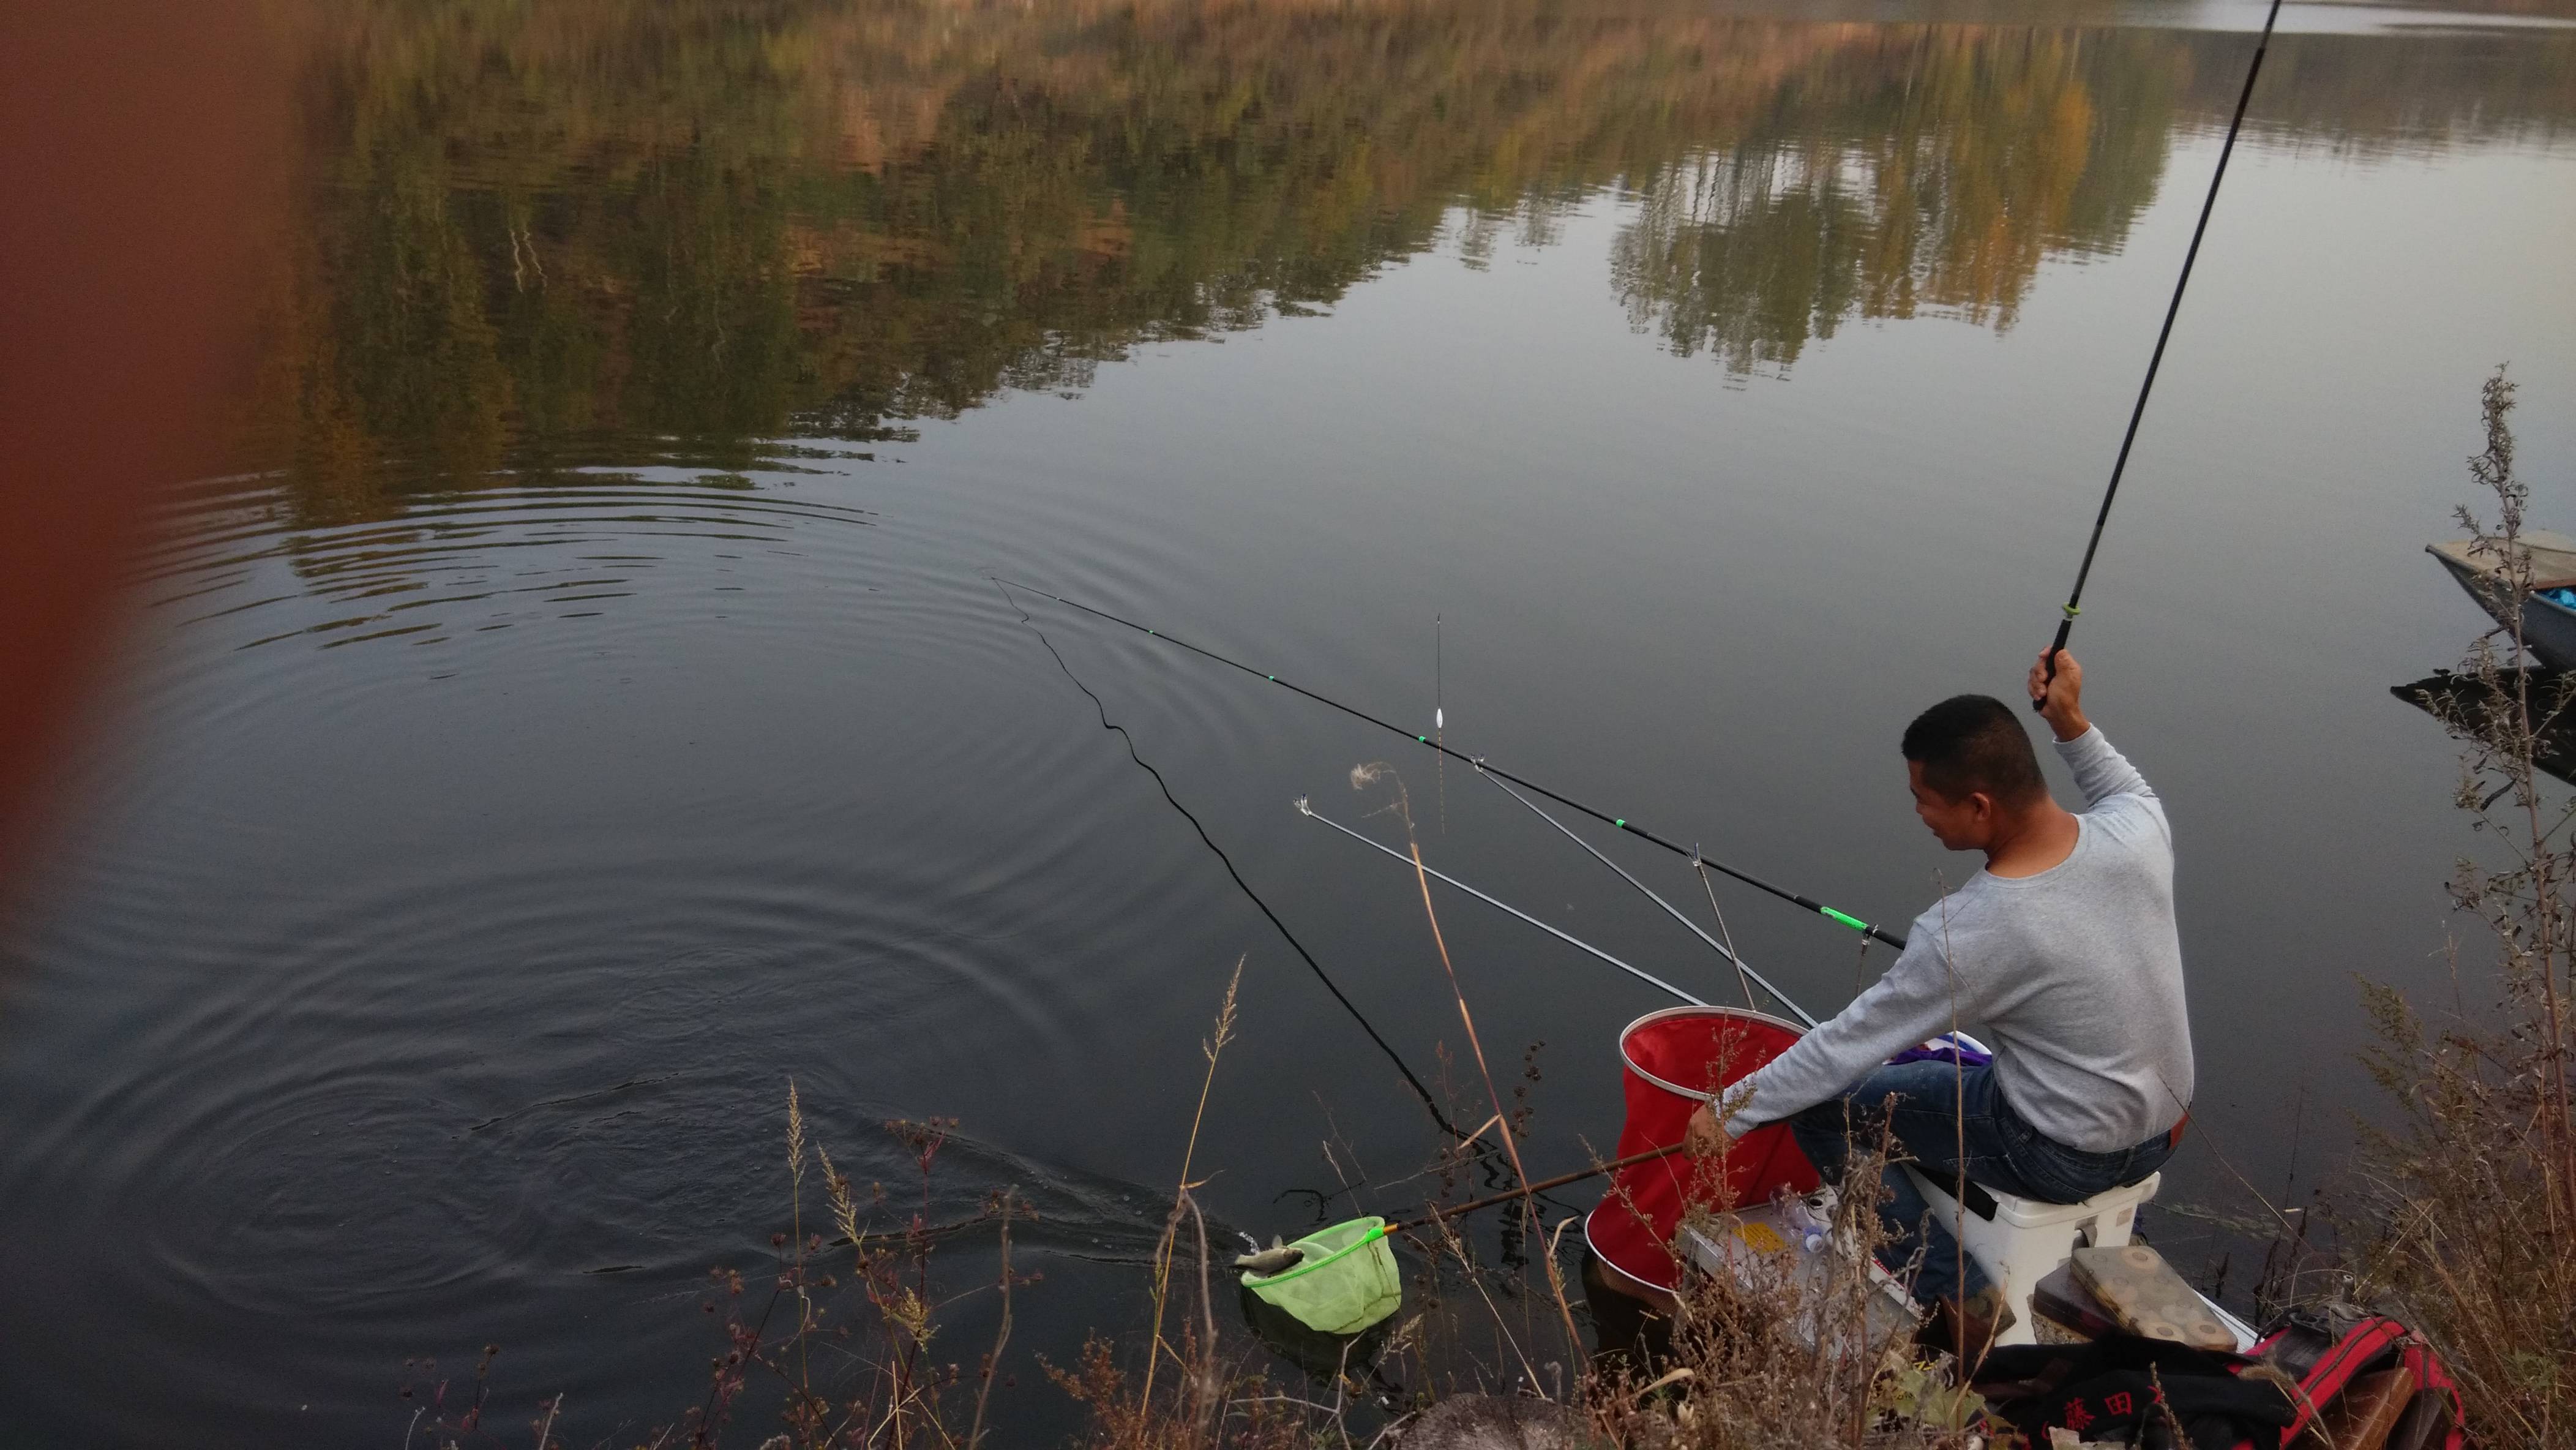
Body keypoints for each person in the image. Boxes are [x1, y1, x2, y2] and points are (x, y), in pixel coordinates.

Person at [1684, 647, 2192, 1357]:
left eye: (1925, 797)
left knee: (1821, 1108)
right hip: (2163, 1131)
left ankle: (1961, 1300)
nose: (1918, 812)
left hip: (2059, 1150)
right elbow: (2120, 783)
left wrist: (1730, 1109)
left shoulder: (1974, 930)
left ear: (1978, 806)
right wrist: (2071, 721)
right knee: (1941, 1072)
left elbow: (1844, 1046)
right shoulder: (2138, 832)